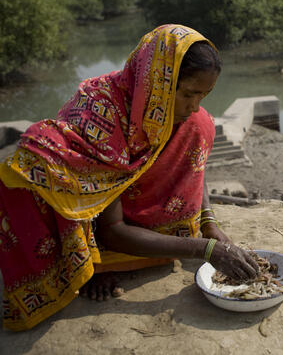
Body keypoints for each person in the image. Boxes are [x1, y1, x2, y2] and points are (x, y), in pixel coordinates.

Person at [0, 24, 258, 331]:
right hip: (98, 228)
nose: (194, 106)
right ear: (156, 85)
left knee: (200, 124)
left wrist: (209, 225)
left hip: (152, 230)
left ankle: (154, 247)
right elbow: (112, 230)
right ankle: (90, 264)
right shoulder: (101, 116)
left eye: (203, 94)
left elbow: (196, 171)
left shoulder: (186, 118)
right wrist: (203, 249)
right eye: (188, 94)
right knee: (31, 162)